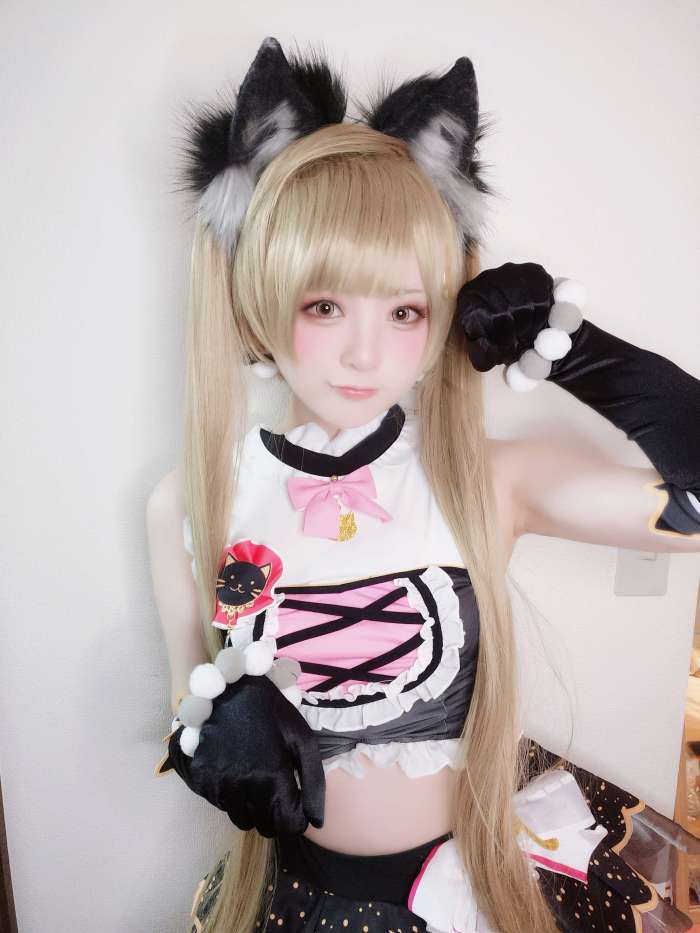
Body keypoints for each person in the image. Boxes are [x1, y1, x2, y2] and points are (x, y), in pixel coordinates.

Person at [147, 36, 700, 933]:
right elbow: (185, 708)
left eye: (404, 309)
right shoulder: (192, 498)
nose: (366, 352)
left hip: (474, 885)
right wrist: (209, 735)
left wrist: (579, 351)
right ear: (257, 296)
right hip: (295, 896)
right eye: (325, 304)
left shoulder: (485, 477)